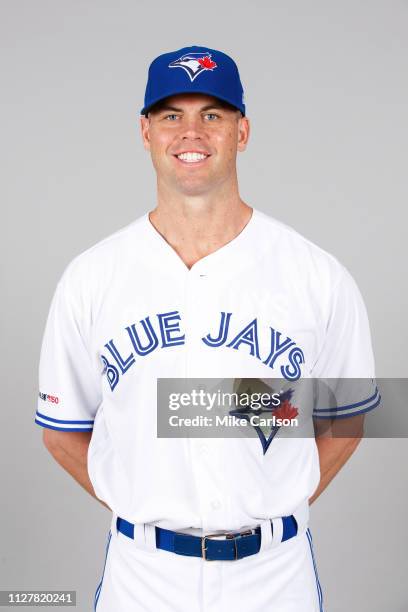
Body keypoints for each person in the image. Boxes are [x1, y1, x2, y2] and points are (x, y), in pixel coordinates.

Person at [35, 45, 380, 612]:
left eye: (212, 115)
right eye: (172, 114)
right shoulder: (90, 277)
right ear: (144, 131)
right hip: (143, 577)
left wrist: (273, 498)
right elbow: (59, 430)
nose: (190, 132)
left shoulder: (317, 275)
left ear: (242, 132)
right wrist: (141, 499)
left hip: (275, 576)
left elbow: (352, 417)